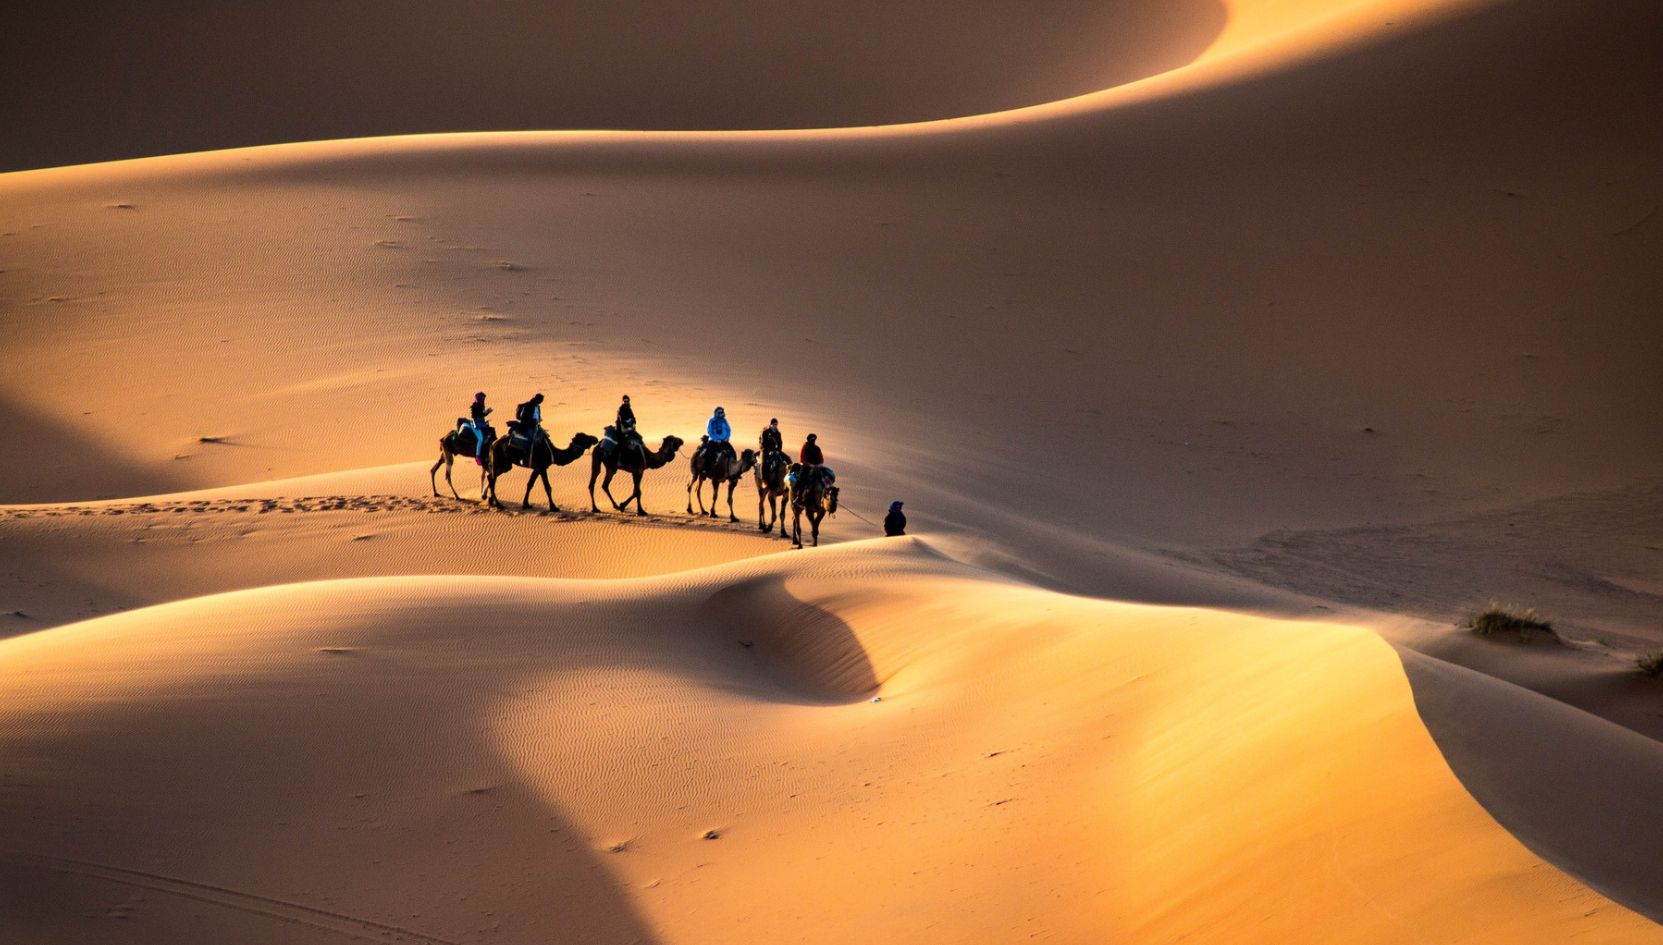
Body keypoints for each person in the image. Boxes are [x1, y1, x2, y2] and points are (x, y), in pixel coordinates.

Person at [513, 393, 545, 459]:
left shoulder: (537, 406)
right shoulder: (529, 405)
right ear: (537, 399)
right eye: (541, 400)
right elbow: (524, 417)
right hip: (528, 426)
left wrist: (538, 419)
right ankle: (525, 457)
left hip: (535, 426)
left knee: (544, 437)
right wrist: (533, 421)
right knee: (530, 441)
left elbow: (537, 416)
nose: (541, 401)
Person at [467, 391, 493, 465]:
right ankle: (478, 456)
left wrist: (486, 412)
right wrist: (486, 412)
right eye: (482, 398)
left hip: (482, 423)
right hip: (476, 425)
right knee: (480, 439)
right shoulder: (474, 406)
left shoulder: (480, 405)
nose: (483, 400)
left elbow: (481, 414)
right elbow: (475, 415)